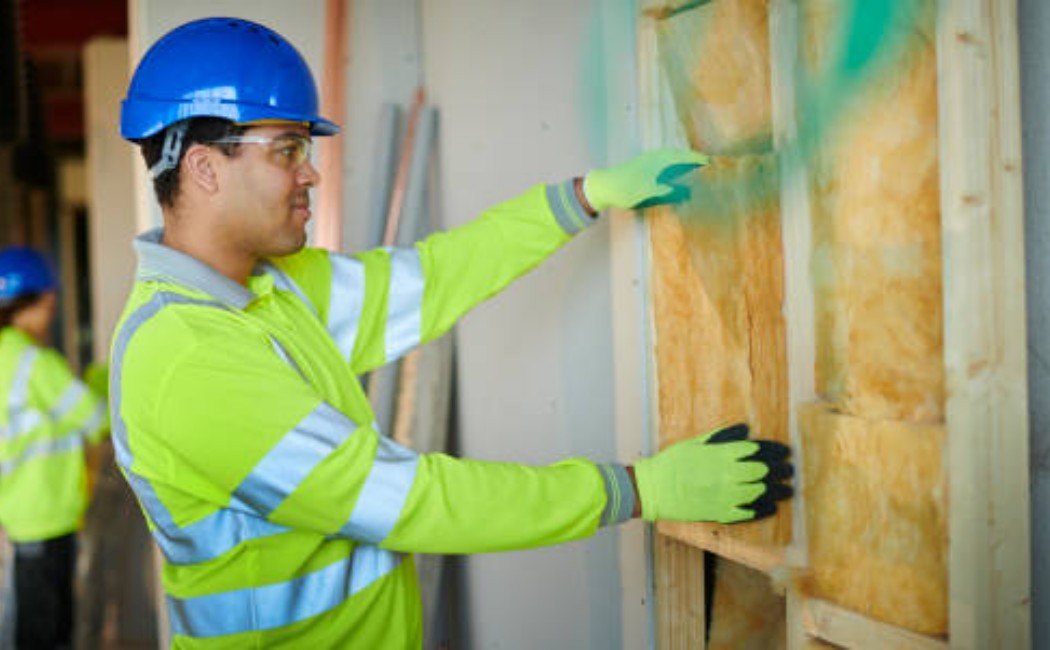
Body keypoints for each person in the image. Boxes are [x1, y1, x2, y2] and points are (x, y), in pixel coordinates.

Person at [113, 16, 792, 649]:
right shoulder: (187, 361)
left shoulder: (271, 287)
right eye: (287, 149)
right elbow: (412, 501)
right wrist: (636, 490)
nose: (311, 171)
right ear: (204, 167)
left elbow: (432, 280)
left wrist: (582, 197)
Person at [0, 247, 110, 649]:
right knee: (46, 632)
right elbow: (97, 421)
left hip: (18, 515)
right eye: (51, 301)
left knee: (30, 626)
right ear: (40, 300)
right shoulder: (35, 363)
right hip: (46, 517)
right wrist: (104, 376)